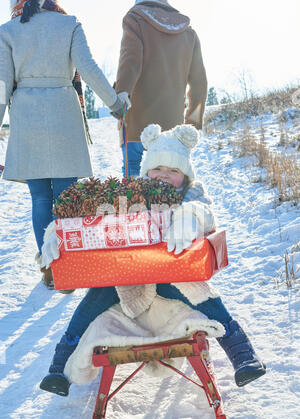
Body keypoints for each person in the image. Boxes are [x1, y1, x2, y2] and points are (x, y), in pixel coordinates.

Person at [39, 124, 266, 397]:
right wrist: (57, 233)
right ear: (146, 170)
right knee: (93, 300)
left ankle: (243, 355)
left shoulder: (192, 193)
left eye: (174, 171)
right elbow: (90, 217)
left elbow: (206, 212)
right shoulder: (133, 194)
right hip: (127, 277)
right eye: (157, 169)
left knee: (205, 297)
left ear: (185, 174)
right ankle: (58, 369)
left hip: (173, 276)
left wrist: (190, 215)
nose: (164, 176)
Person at [0, 0, 128, 289]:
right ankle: (69, 265)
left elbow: (1, 84)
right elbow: (89, 69)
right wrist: (115, 103)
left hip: (27, 116)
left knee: (40, 199)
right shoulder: (69, 24)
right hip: (63, 113)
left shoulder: (7, 31)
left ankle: (51, 268)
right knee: (67, 197)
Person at [114, 0, 208, 177]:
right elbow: (199, 83)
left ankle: (133, 205)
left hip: (136, 119)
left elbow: (130, 58)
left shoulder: (136, 19)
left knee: (132, 178)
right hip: (172, 124)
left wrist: (122, 90)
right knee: (169, 182)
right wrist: (193, 124)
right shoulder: (188, 32)